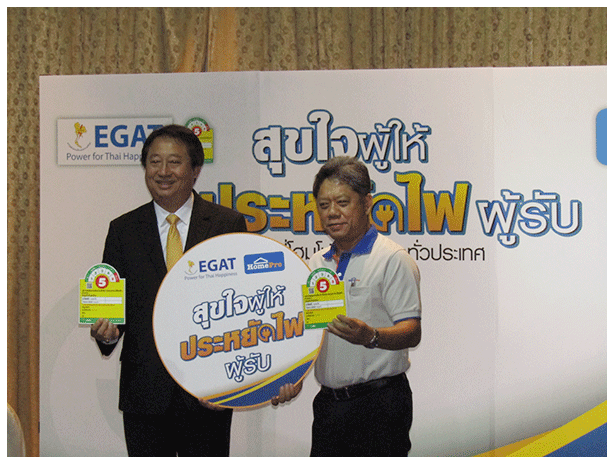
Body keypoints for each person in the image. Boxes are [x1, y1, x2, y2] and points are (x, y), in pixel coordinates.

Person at [90, 124, 247, 456]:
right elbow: (112, 313)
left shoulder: (227, 225)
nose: (163, 171)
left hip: (208, 392)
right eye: (154, 161)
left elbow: (243, 310)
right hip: (144, 393)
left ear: (195, 170)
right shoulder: (123, 230)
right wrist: (107, 334)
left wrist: (230, 382)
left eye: (174, 162)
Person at [272, 156, 422, 457]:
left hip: (380, 405)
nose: (332, 213)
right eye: (323, 205)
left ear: (366, 203)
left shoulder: (392, 259)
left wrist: (371, 336)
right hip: (329, 406)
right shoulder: (316, 264)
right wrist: (293, 378)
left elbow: (411, 332)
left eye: (342, 202)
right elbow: (310, 334)